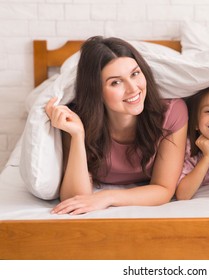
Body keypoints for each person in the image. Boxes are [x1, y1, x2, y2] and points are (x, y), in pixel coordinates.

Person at [45, 36, 188, 215]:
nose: (133, 88)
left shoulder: (172, 112)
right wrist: (78, 135)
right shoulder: (77, 118)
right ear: (96, 90)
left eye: (135, 74)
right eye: (116, 82)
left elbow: (163, 189)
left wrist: (107, 197)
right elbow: (75, 198)